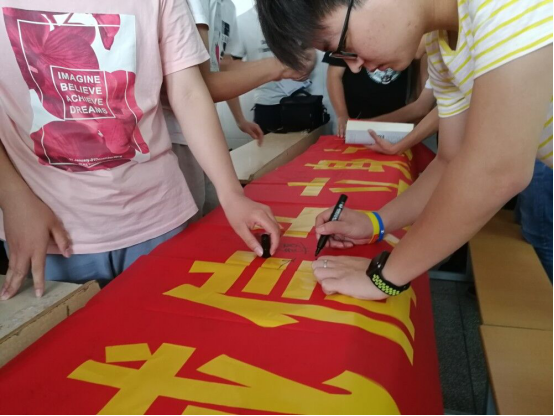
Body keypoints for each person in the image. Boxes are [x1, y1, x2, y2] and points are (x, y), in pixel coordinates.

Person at [256, 0, 553, 300]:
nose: (354, 66)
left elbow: (496, 170)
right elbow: (449, 161)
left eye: (344, 45)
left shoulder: (503, 6)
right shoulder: (439, 44)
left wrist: (384, 277)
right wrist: (376, 222)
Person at [0, 0, 281, 301]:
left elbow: (188, 92)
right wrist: (13, 197)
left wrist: (231, 192)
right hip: (48, 227)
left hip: (158, 217)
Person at [226, 6, 315, 134]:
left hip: (301, 99)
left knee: (306, 145)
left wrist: (308, 64)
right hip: (267, 103)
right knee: (270, 146)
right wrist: (240, 120)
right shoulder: (241, 22)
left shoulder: (294, 14)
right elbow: (229, 70)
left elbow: (309, 48)